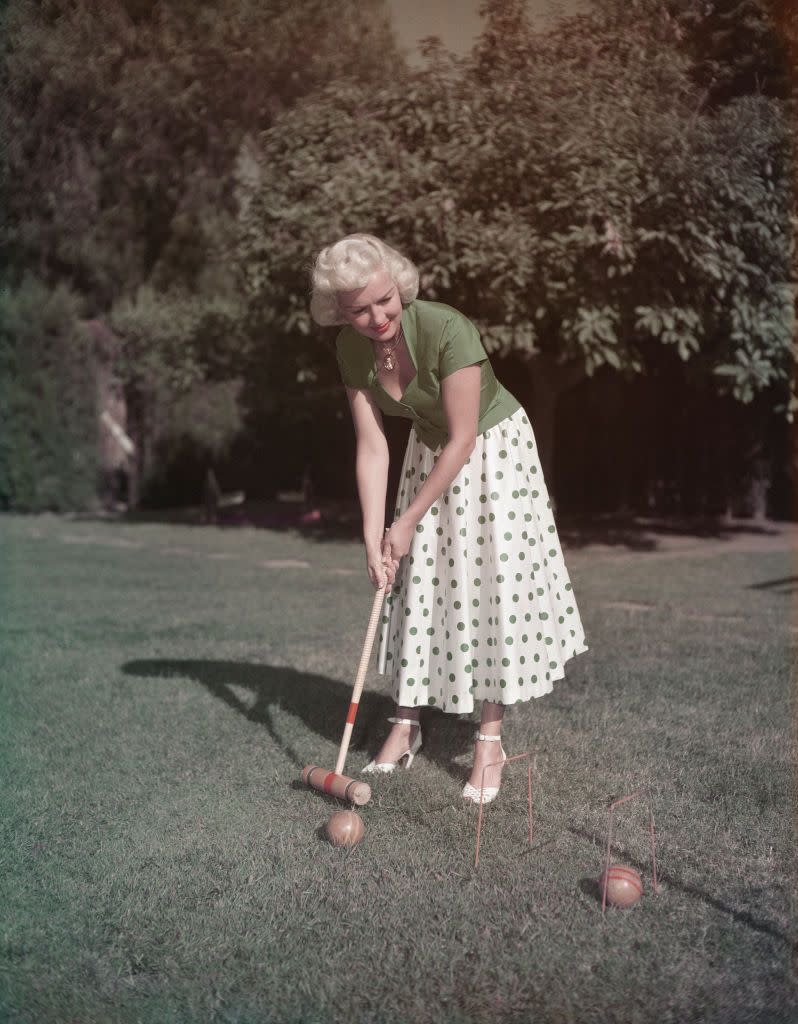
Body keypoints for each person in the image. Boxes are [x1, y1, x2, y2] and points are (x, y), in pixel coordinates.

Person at [310, 234, 587, 803]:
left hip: (491, 452)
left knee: (488, 590)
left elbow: (463, 437)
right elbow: (371, 445)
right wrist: (373, 536)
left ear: (399, 285)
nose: (377, 316)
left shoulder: (446, 328)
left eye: (384, 299)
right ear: (340, 312)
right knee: (418, 588)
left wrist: (406, 519)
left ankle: (489, 740)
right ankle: (404, 725)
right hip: (425, 453)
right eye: (359, 310)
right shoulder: (351, 349)